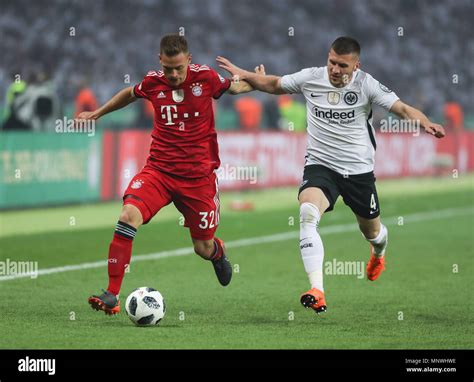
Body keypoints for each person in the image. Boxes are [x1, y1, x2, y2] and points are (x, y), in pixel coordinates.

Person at [217, 36, 445, 314]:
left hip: (358, 171)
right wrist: (245, 73)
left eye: (342, 65)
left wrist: (425, 123)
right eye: (332, 62)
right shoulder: (311, 78)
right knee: (307, 214)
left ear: (355, 65)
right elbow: (275, 84)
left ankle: (379, 253)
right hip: (321, 165)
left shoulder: (366, 84)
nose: (335, 69)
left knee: (372, 232)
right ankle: (318, 290)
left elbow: (402, 108)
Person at [78, 34, 260, 315]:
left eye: (179, 68)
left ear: (189, 60)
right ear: (159, 60)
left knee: (202, 247)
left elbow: (235, 88)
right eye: (168, 69)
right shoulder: (153, 82)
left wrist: (258, 80)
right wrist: (98, 113)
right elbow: (129, 93)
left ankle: (218, 252)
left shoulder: (206, 78)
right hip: (159, 172)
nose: (173, 75)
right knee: (127, 216)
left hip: (198, 179)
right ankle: (112, 293)